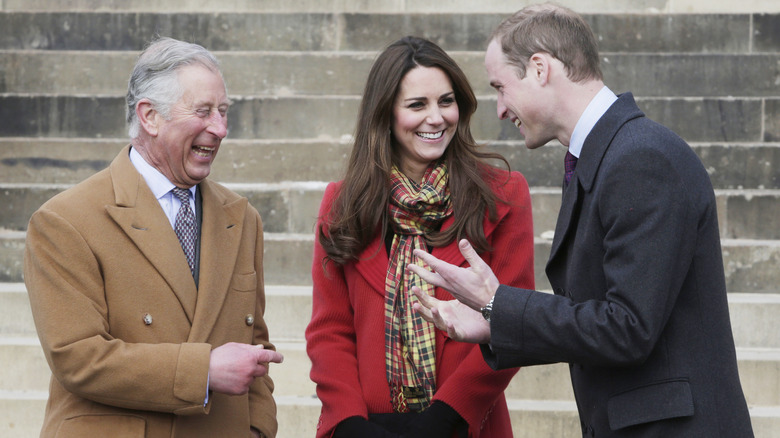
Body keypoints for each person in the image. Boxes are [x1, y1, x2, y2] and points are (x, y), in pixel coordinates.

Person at [409, 4, 754, 437]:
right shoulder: (609, 154)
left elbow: (627, 328)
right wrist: (496, 324)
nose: (499, 108)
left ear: (539, 69)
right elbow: (600, 320)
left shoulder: (641, 158)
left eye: (500, 86)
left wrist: (500, 304)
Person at [24, 37, 283, 438]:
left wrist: (258, 430)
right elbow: (77, 357)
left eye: (223, 112)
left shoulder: (243, 219)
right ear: (150, 117)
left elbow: (257, 349)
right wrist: (205, 371)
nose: (220, 128)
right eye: (203, 111)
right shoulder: (65, 220)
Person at [305, 36, 535, 438]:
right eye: (417, 105)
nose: (436, 118)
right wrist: (349, 424)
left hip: (462, 425)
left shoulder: (505, 195)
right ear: (386, 114)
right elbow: (330, 331)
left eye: (446, 101)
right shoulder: (342, 205)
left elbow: (512, 325)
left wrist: (446, 416)